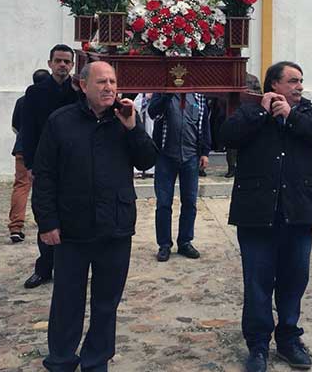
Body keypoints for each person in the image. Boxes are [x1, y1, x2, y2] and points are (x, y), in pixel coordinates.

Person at [32, 61, 156, 371]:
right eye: (101, 82)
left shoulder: (125, 120)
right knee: (67, 299)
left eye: (112, 81)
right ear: (83, 85)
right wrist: (47, 222)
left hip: (115, 226)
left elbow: (147, 160)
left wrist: (133, 128)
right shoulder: (61, 121)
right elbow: (44, 175)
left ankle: (96, 360)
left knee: (106, 302)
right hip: (72, 228)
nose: (109, 87)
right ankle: (61, 359)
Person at [221, 61, 312, 372]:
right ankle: (258, 346)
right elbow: (227, 136)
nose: (300, 86)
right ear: (274, 84)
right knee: (257, 282)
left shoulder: (306, 110)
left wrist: (292, 116)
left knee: (294, 279)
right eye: (293, 81)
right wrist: (262, 113)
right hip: (257, 213)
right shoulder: (250, 110)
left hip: (297, 212)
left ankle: (288, 339)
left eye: (301, 81)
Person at [21, 45, 79, 290]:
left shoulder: (78, 92)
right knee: (46, 215)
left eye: (67, 61)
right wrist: (30, 164)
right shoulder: (35, 92)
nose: (62, 65)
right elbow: (27, 130)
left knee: (71, 216)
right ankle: (43, 268)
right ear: (50, 63)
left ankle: (69, 267)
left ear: (72, 65)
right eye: (58, 61)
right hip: (44, 162)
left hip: (72, 163)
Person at [148, 93, 211, 261]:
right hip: (165, 156)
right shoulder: (162, 92)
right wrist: (166, 95)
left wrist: (205, 152)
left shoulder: (198, 96)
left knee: (190, 202)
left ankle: (185, 242)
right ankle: (164, 244)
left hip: (191, 157)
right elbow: (153, 113)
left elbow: (204, 125)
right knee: (163, 203)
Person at [8, 68, 50, 243]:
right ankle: (45, 220)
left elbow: (15, 125)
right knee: (47, 185)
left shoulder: (22, 100)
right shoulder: (49, 99)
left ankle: (16, 226)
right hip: (44, 148)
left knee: (21, 185)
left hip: (23, 147)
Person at [133, 93, 155, 178]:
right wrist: (146, 98)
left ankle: (152, 170)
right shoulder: (142, 94)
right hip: (144, 120)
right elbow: (135, 106)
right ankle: (140, 171)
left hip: (153, 121)